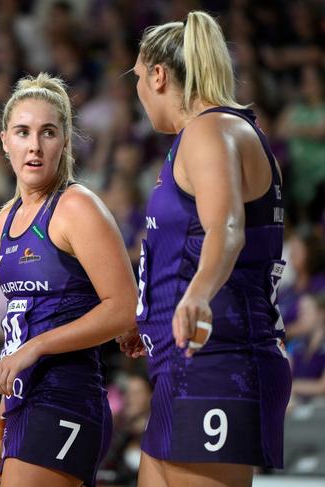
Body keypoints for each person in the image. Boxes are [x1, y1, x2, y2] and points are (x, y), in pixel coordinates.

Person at [121, 10, 291, 487]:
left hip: (221, 360)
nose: (136, 91)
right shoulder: (204, 135)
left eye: (137, 77)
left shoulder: (208, 130)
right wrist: (152, 315)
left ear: (158, 75)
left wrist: (194, 296)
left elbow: (227, 228)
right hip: (186, 362)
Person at [0, 73, 138, 487]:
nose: (34, 146)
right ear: (5, 141)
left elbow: (124, 308)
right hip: (23, 403)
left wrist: (34, 350)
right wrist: (2, 418)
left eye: (47, 132)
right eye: (23, 132)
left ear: (65, 141)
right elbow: (19, 323)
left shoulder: (76, 206)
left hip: (66, 396)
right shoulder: (6, 219)